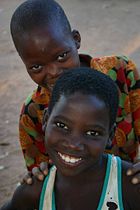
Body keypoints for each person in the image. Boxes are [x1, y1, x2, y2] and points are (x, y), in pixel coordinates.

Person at [10, 0, 140, 183]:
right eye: (37, 66)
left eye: (61, 56)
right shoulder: (32, 112)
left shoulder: (121, 73)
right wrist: (40, 174)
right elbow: (40, 175)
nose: (54, 72)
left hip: (128, 185)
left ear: (76, 39)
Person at [1, 68, 139, 210]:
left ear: (110, 136)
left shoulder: (130, 186)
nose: (73, 144)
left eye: (92, 133)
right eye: (62, 125)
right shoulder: (35, 191)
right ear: (45, 120)